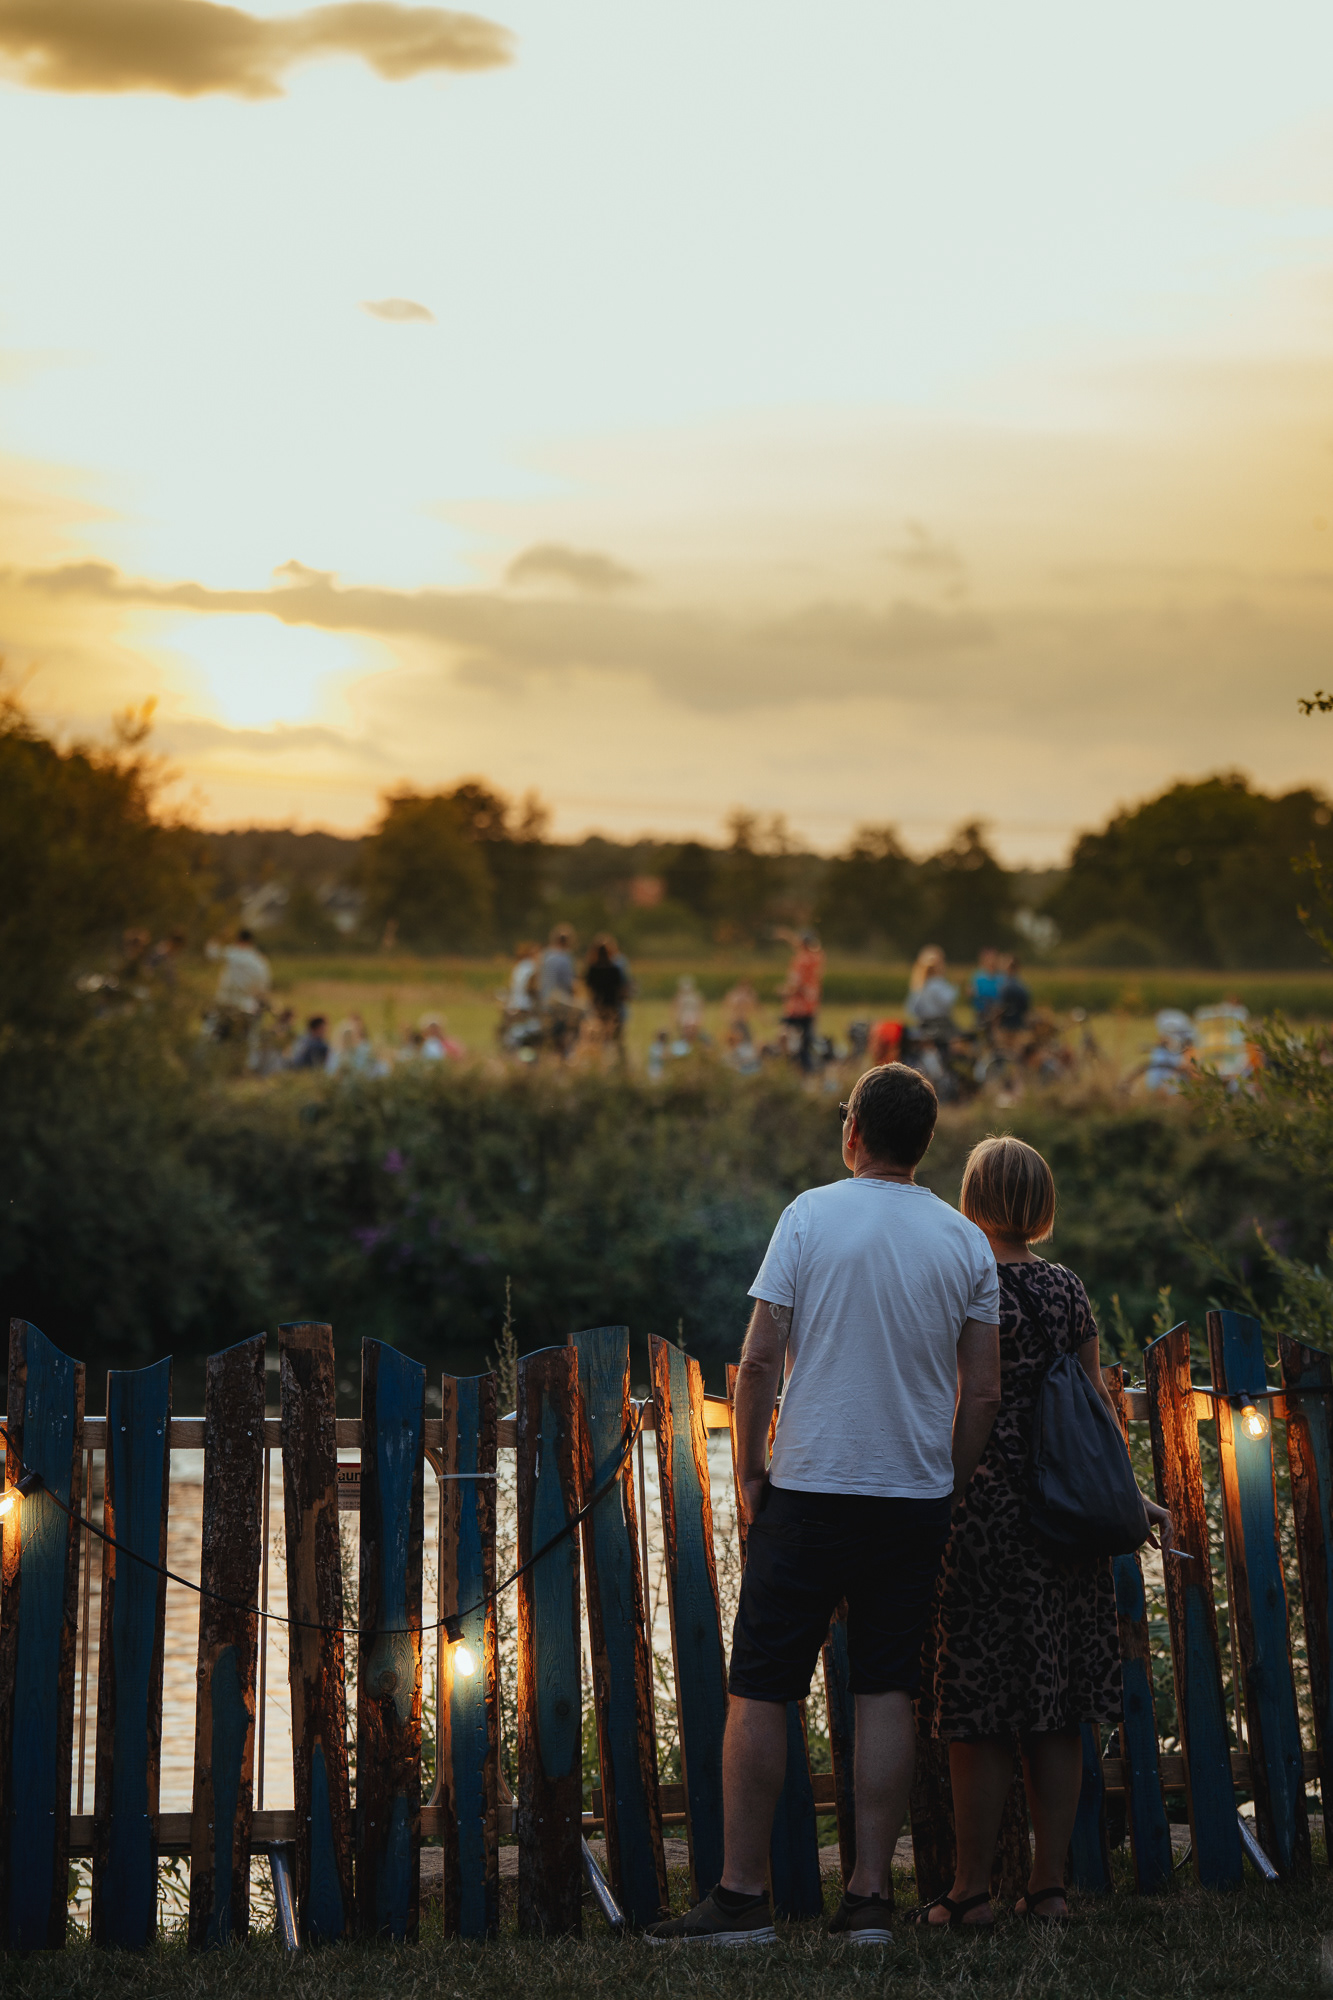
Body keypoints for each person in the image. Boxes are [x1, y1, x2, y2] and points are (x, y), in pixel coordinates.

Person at [648, 1063, 1002, 1946]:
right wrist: (949, 1480)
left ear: (853, 1135)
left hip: (806, 1489)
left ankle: (741, 1899)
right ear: (923, 1145)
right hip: (912, 1498)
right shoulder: (964, 1243)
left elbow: (758, 1362)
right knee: (885, 1686)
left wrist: (749, 1473)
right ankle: (869, 1902)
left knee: (762, 1686)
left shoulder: (807, 1216)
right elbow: (984, 1392)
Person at [924, 1136, 1172, 1928]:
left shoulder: (958, 1283)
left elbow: (947, 1396)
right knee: (1058, 1704)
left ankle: (969, 1891)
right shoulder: (1066, 1288)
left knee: (979, 1704)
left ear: (970, 1201)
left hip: (983, 1509)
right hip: (1063, 1517)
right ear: (1040, 1203)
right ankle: (1048, 1889)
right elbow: (1095, 1408)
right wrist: (1129, 1495)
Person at [778, 929, 824, 1073]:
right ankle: (812, 1070)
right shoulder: (817, 958)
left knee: (789, 1041)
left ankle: (797, 1070)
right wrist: (785, 936)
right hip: (811, 1006)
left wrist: (784, 992)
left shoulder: (801, 961)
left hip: (797, 1008)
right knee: (806, 1041)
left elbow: (796, 984)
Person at [206, 927, 272, 1014]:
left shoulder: (231, 953)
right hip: (247, 1005)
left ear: (237, 939)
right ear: (251, 941)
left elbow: (211, 953)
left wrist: (220, 936)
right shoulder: (258, 961)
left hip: (225, 1001)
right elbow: (264, 984)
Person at [584, 934, 630, 1055]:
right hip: (612, 1006)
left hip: (597, 1006)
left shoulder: (592, 969)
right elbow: (621, 988)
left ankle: (598, 1057)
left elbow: (588, 987)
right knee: (613, 1036)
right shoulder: (614, 969)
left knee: (597, 1036)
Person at [906, 946, 957, 1032]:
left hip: (924, 1024)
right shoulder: (938, 983)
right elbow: (947, 1002)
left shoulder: (918, 985)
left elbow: (911, 1008)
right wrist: (954, 989)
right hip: (941, 1023)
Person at [970, 948, 1004, 1025]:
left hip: (998, 1013)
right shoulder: (978, 976)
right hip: (982, 1012)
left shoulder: (1001, 977)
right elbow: (972, 992)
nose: (991, 962)